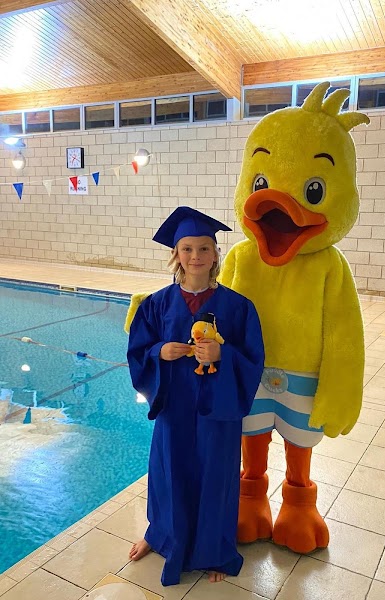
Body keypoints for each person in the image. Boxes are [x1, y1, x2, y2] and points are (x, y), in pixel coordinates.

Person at [126, 206, 265, 587]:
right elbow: (138, 352)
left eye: (204, 248)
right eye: (187, 249)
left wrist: (225, 354)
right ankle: (161, 536)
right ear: (176, 254)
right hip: (175, 407)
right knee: (169, 473)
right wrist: (159, 352)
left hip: (217, 411)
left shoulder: (238, 307)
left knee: (215, 477)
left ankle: (213, 550)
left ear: (216, 254)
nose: (195, 257)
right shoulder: (155, 304)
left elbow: (254, 360)